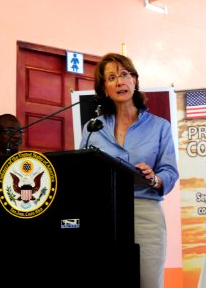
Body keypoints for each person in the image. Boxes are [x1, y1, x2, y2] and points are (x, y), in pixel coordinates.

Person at [79, 53, 179, 288]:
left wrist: (154, 178)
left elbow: (170, 172)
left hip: (144, 214)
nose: (120, 82)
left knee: (147, 282)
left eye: (124, 74)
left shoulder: (159, 127)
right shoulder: (93, 129)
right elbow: (84, 172)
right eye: (111, 77)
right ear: (104, 88)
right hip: (104, 215)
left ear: (135, 80)